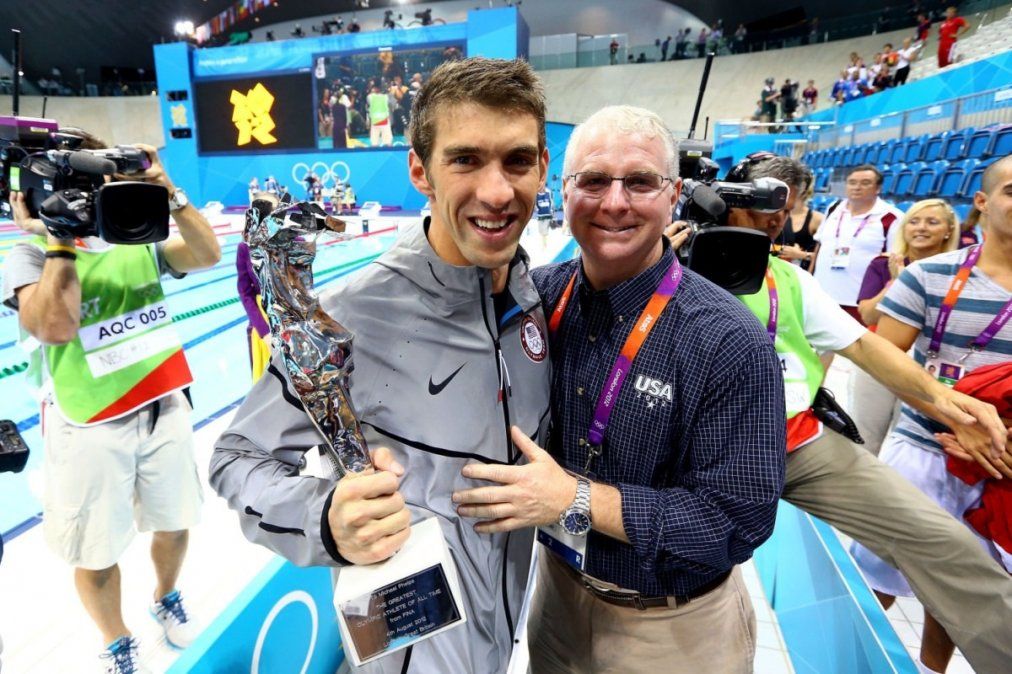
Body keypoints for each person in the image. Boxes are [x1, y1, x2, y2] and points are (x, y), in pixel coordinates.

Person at [210, 57, 552, 674]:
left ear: (543, 166)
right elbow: (236, 459)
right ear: (420, 169)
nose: (497, 191)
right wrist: (325, 518)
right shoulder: (351, 316)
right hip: (402, 654)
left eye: (517, 160)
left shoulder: (537, 302)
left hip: (501, 643)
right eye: (466, 159)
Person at [455, 105, 787, 674]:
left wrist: (575, 499)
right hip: (557, 599)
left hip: (673, 631)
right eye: (593, 180)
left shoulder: (728, 339)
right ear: (562, 191)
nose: (614, 202)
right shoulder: (536, 301)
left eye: (639, 182)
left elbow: (737, 521)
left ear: (674, 194)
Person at [667, 153, 1012, 674]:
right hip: (698, 454)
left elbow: (867, 348)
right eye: (759, 203)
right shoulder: (662, 270)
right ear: (721, 205)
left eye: (785, 207)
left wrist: (947, 402)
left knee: (946, 546)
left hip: (798, 444)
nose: (775, 218)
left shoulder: (788, 278)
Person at [1, 133, 221, 673]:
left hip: (162, 406)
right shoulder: (27, 254)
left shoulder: (134, 233)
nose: (92, 195)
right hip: (90, 422)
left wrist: (168, 191)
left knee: (174, 522)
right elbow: (55, 326)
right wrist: (60, 239)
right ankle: (117, 637)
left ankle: (165, 595)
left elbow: (206, 255)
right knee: (96, 552)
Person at [852, 156, 1012, 674]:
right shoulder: (930, 275)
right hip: (923, 450)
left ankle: (931, 670)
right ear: (983, 203)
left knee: (969, 589)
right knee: (878, 573)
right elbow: (885, 358)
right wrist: (958, 419)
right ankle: (853, 660)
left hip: (1003, 466)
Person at [851, 199, 960, 454]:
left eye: (932, 222)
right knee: (864, 438)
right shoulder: (882, 264)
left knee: (915, 441)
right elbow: (867, 315)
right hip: (879, 356)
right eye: (914, 221)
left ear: (948, 230)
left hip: (928, 365)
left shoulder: (958, 273)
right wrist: (897, 283)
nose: (921, 228)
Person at [812, 164, 904, 323]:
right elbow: (819, 246)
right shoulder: (833, 208)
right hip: (821, 296)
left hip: (859, 302)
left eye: (865, 183)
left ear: (878, 188)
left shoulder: (891, 217)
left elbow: (895, 260)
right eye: (852, 182)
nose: (857, 187)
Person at [776, 168, 822, 270]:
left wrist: (802, 255)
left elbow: (828, 257)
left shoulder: (817, 219)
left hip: (801, 274)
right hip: (775, 271)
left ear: (805, 188)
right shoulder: (773, 214)